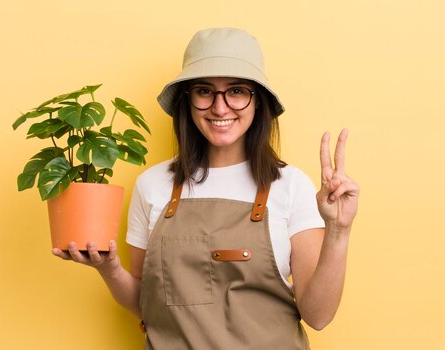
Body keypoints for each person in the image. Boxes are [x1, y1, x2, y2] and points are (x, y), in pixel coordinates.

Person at [53, 27, 359, 349]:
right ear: (188, 100)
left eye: (237, 91)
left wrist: (339, 230)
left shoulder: (291, 186)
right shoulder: (152, 186)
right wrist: (109, 269)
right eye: (205, 91)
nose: (220, 107)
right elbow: (150, 305)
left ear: (258, 101)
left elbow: (319, 316)